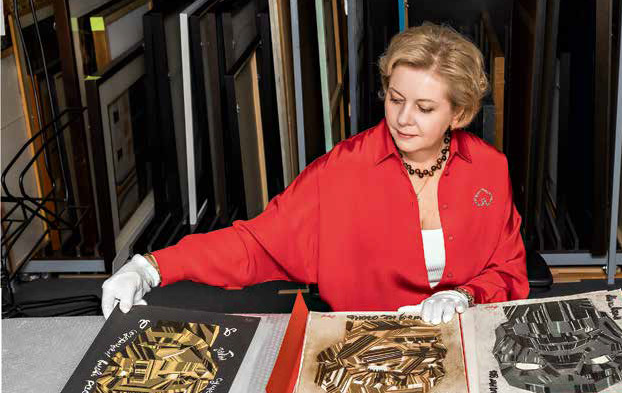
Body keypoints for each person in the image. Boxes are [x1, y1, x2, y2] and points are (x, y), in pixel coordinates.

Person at [101, 23, 529, 324]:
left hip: (468, 338)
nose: (403, 118)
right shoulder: (341, 170)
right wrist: (152, 267)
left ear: (460, 114)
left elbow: (508, 270)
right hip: (367, 351)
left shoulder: (490, 169)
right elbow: (254, 245)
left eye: (425, 108)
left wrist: (465, 295)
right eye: (395, 99)